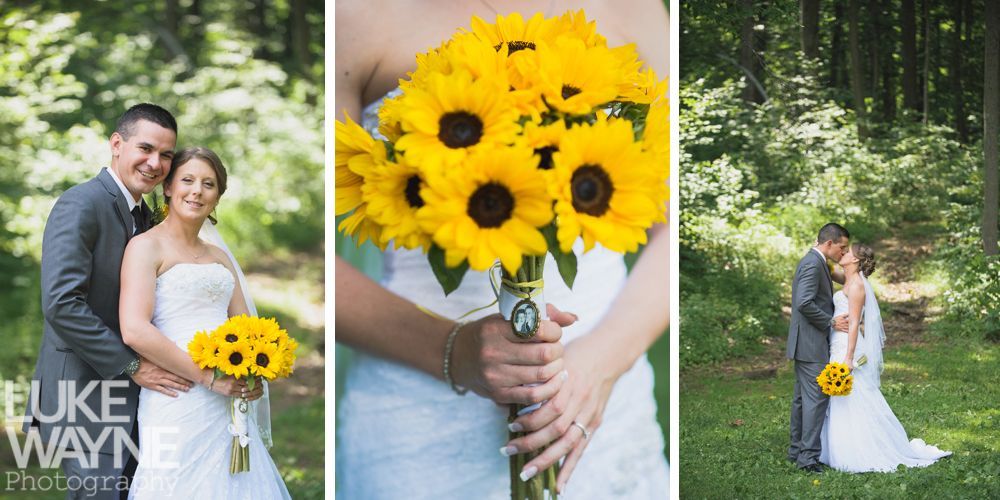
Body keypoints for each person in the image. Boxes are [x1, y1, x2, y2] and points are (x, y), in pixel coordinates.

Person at [335, 0, 670, 497]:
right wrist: (455, 353)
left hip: (599, 393)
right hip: (417, 406)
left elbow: (670, 222)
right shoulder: (355, 13)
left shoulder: (635, 9)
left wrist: (597, 368)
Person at [24, 104, 197, 499]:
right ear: (117, 144)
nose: (155, 163)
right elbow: (62, 303)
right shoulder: (82, 204)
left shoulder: (146, 216)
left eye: (166, 155)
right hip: (85, 396)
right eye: (146, 149)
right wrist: (132, 365)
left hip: (136, 400)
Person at [118, 148, 289, 497]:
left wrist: (254, 372)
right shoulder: (145, 247)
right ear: (167, 187)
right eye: (188, 180)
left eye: (208, 184)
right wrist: (206, 377)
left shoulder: (220, 257)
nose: (196, 191)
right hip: (176, 393)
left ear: (217, 196)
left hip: (226, 393)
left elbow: (247, 327)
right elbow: (134, 328)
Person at [820, 244, 950, 472]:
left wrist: (848, 357)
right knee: (840, 396)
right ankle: (836, 446)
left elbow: (853, 325)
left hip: (847, 345)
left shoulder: (858, 285)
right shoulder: (848, 279)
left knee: (854, 394)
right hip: (837, 341)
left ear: (856, 261)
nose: (844, 254)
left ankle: (862, 448)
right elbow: (831, 271)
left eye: (848, 252)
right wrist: (821, 252)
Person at [787, 222, 850, 473]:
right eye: (841, 248)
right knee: (815, 400)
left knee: (802, 400)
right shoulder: (814, 264)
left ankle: (796, 450)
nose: (843, 253)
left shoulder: (818, 261)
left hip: (805, 342)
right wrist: (831, 321)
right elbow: (803, 302)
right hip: (811, 342)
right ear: (829, 243)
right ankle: (808, 459)